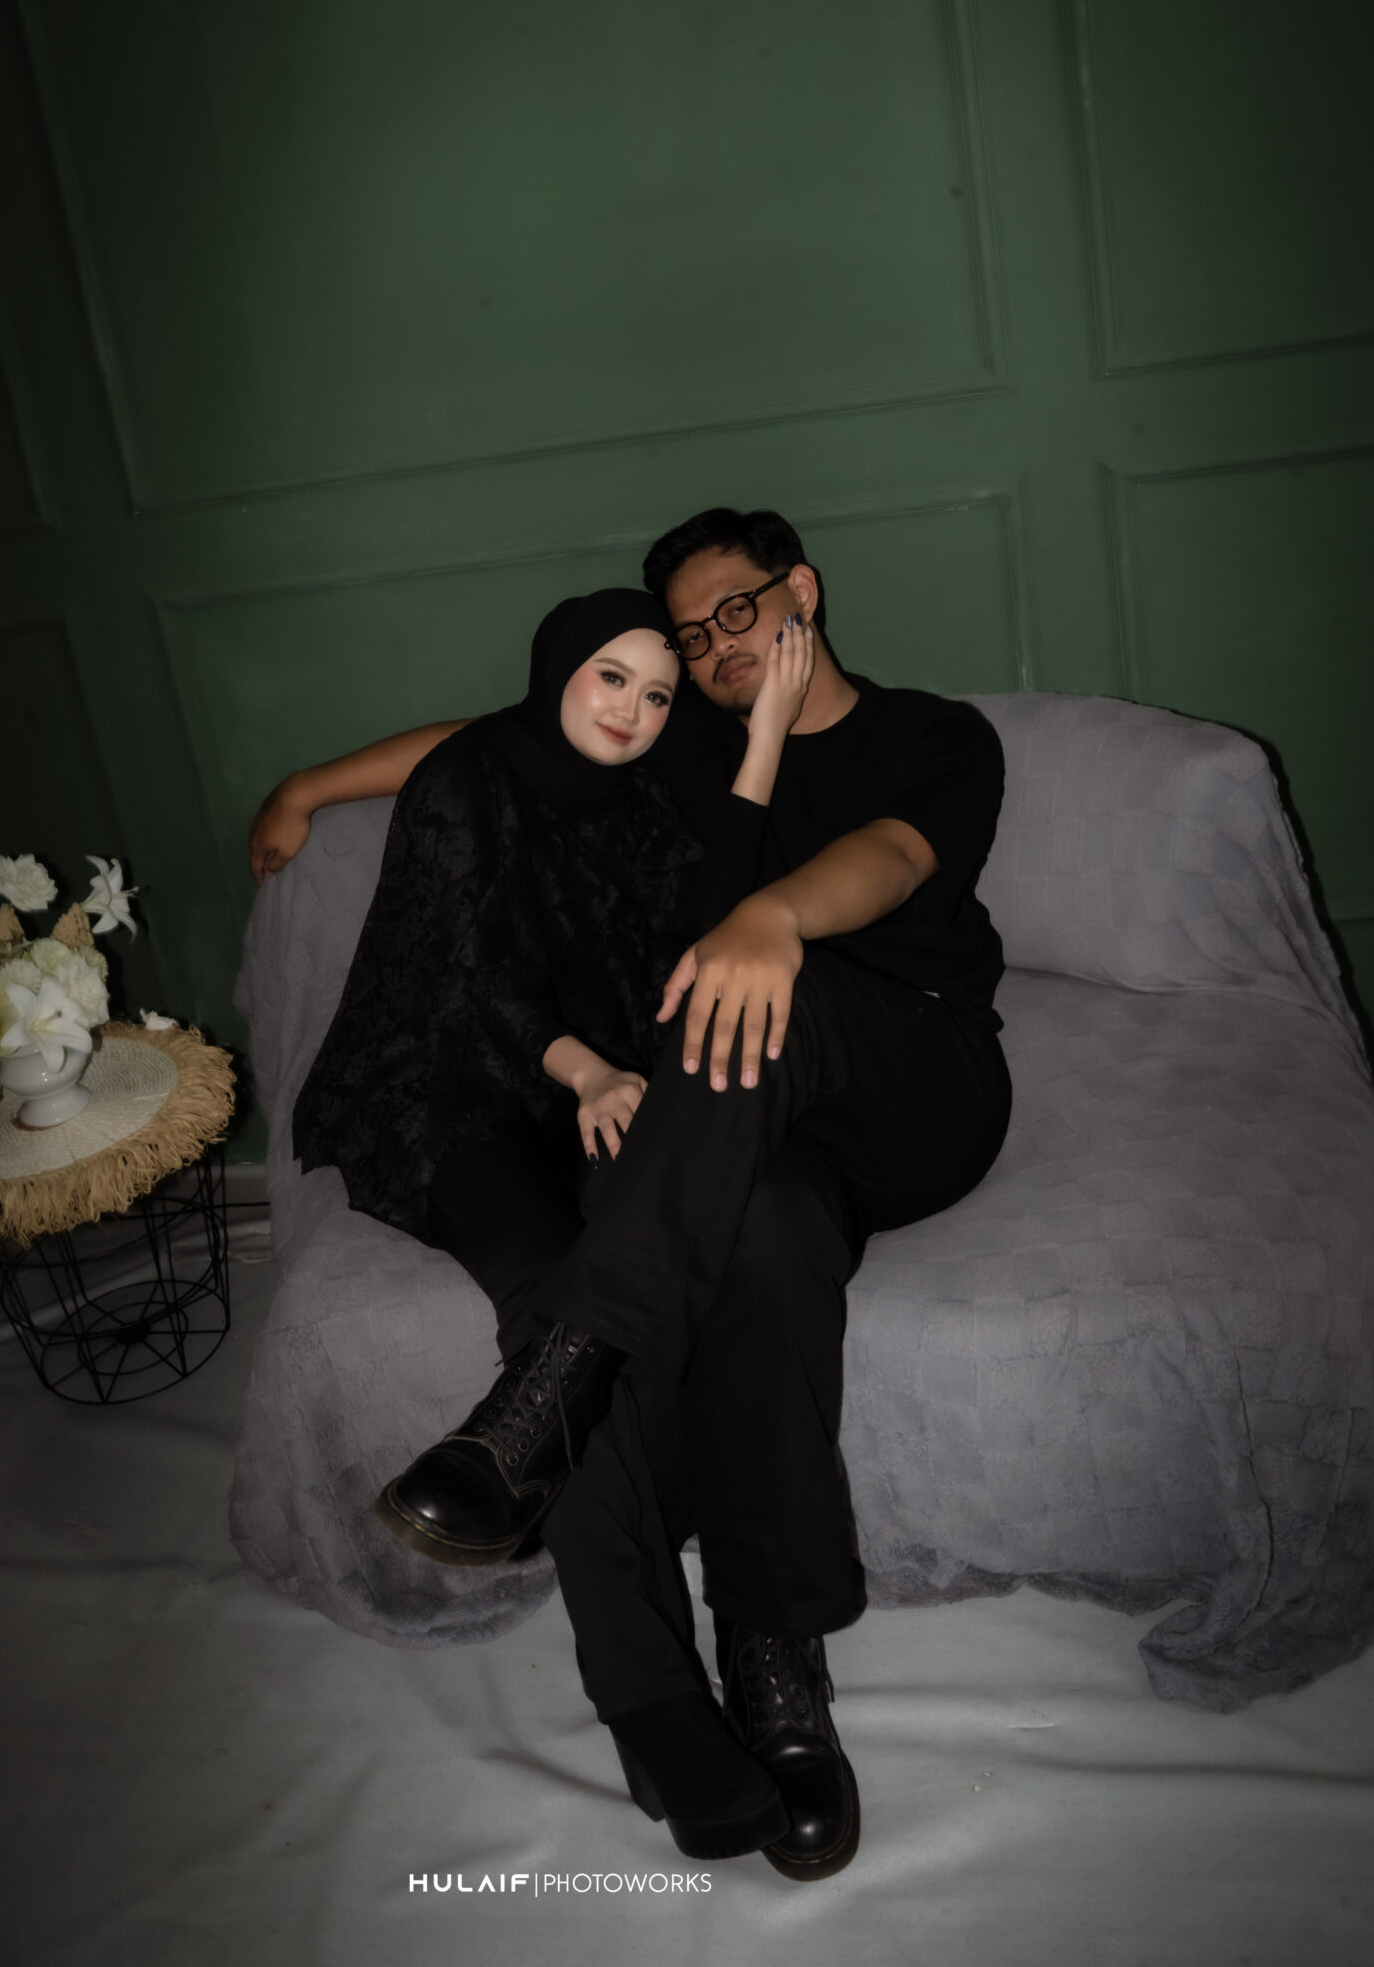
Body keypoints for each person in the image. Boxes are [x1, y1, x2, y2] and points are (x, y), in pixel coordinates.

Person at [249, 510, 1011, 1882]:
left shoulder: (931, 734)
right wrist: (309, 784)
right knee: (769, 1235)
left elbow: (897, 859)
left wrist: (773, 918)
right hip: (758, 1129)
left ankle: (561, 1373)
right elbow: (502, 738)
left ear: (802, 590)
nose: (715, 648)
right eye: (691, 636)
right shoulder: (690, 741)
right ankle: (774, 1662)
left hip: (912, 1079)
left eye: (739, 611)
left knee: (763, 987)